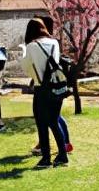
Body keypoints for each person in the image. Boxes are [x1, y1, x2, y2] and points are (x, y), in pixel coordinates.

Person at [21, 17, 69, 167]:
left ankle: (46, 158)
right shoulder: (54, 43)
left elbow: (28, 69)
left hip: (41, 88)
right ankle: (62, 155)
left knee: (42, 124)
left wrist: (23, 52)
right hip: (56, 87)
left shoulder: (31, 46)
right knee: (54, 122)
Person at [37, 16, 72, 153]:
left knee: (52, 117)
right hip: (58, 83)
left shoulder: (47, 42)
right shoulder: (53, 41)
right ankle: (65, 143)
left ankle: (60, 145)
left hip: (51, 83)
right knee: (55, 116)